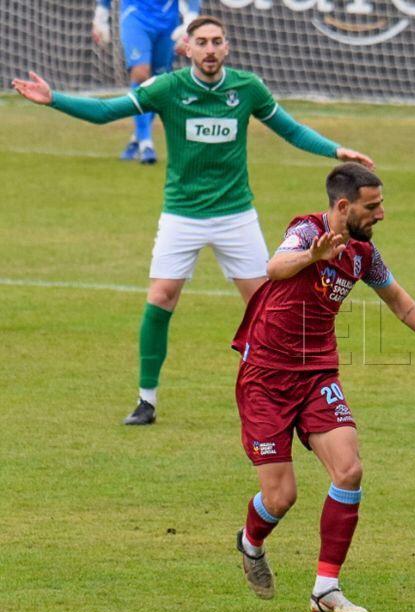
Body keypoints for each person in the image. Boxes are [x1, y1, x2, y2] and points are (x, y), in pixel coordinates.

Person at [12, 16, 374, 426]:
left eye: (217, 41)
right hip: (182, 215)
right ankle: (146, 399)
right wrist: (53, 97)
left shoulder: (246, 88)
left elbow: (289, 129)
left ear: (227, 47)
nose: (210, 49)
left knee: (269, 303)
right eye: (201, 42)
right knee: (162, 296)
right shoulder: (167, 88)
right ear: (186, 48)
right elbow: (103, 111)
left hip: (236, 215)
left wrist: (336, 150)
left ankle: (289, 387)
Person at [231, 163, 415, 612]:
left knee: (350, 470)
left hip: (318, 373)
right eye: (372, 206)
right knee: (281, 498)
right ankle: (250, 541)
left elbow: (398, 299)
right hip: (265, 376)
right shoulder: (306, 230)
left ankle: (326, 588)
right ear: (344, 206)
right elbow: (275, 267)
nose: (381, 214)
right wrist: (311, 257)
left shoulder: (363, 253)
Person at [91, 0, 202, 164]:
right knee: (141, 73)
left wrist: (190, 21)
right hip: (135, 15)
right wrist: (101, 17)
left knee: (159, 82)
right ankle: (146, 143)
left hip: (167, 21)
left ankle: (138, 137)